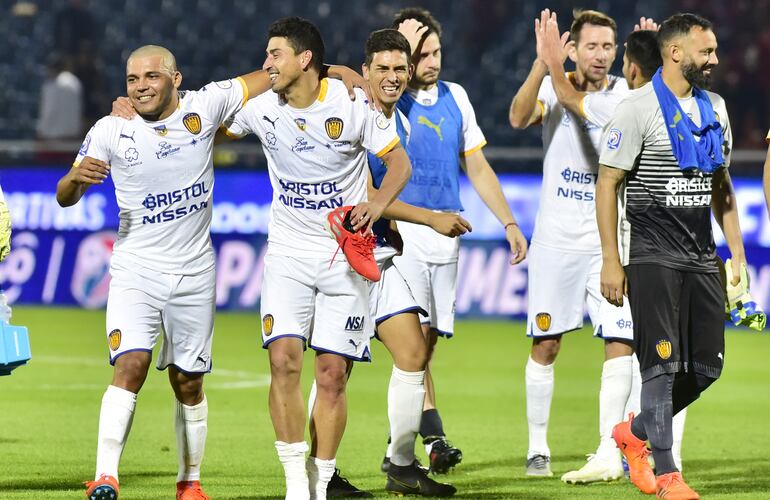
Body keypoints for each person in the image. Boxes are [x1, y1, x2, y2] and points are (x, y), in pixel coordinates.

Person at [56, 45, 276, 500]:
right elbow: (64, 195)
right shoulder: (111, 129)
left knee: (189, 381)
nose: (140, 87)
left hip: (195, 272)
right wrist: (77, 180)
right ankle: (105, 477)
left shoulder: (205, 105)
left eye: (151, 77)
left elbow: (271, 74)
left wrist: (335, 71)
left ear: (176, 79)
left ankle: (189, 483)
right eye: (133, 80)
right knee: (130, 364)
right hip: (136, 270)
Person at [221, 17, 412, 500]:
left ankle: (322, 482)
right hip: (286, 253)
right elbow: (204, 126)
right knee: (283, 360)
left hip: (344, 258)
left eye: (275, 54)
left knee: (330, 375)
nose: (266, 64)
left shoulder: (352, 103)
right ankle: (295, 487)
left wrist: (376, 204)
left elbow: (399, 163)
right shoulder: (261, 108)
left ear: (303, 59)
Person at [308, 28, 465, 498]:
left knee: (413, 353)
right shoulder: (350, 108)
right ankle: (320, 474)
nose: (393, 77)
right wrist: (429, 218)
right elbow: (365, 197)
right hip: (340, 256)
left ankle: (400, 464)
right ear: (367, 70)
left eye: (400, 68)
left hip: (377, 253)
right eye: (382, 69)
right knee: (335, 369)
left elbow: (377, 199)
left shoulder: (403, 123)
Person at [533, 12, 691, 481]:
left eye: (619, 54)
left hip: (638, 246)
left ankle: (614, 451)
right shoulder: (697, 106)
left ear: (634, 69)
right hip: (684, 244)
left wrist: (549, 61)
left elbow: (566, 95)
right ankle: (659, 459)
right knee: (666, 354)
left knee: (646, 351)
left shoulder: (626, 107)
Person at [597, 13, 744, 499]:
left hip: (702, 256)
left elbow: (720, 184)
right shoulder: (636, 109)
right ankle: (667, 474)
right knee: (660, 366)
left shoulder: (716, 107)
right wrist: (611, 260)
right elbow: (608, 183)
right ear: (676, 53)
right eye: (707, 51)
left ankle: (633, 434)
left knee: (706, 369)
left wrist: (735, 252)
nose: (715, 60)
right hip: (652, 254)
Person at [381, 7, 527, 474]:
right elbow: (368, 84)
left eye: (435, 51)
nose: (430, 61)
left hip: (449, 235)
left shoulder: (456, 97)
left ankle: (399, 444)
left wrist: (508, 221)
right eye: (419, 54)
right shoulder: (390, 99)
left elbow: (477, 167)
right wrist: (395, 51)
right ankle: (432, 437)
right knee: (412, 348)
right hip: (404, 234)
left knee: (426, 345)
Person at [509, 8, 639, 479]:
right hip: (556, 243)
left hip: (608, 244)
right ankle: (538, 448)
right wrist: (543, 63)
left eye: (609, 46)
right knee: (546, 345)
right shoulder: (554, 84)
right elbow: (518, 117)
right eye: (591, 46)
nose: (601, 55)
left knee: (622, 340)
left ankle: (609, 448)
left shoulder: (627, 95)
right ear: (574, 49)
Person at [36, 53, 83, 140]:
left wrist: (40, 131)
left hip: (52, 140)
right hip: (72, 138)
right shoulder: (75, 82)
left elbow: (49, 110)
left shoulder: (52, 84)